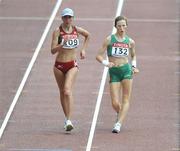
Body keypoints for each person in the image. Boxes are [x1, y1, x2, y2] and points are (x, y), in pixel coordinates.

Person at [96, 16, 139, 133]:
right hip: (114, 72)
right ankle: (120, 114)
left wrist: (134, 67)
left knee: (126, 99)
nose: (122, 28)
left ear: (126, 26)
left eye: (124, 25)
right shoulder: (109, 40)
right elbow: (98, 56)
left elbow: (133, 55)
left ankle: (118, 123)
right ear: (115, 26)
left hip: (126, 71)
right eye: (119, 25)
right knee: (114, 102)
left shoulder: (130, 42)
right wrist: (106, 63)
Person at [51, 8, 90, 131]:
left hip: (72, 64)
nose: (68, 19)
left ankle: (69, 119)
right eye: (65, 17)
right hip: (59, 65)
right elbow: (52, 51)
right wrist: (61, 44)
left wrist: (84, 49)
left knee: (67, 90)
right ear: (62, 18)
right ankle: (66, 120)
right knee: (62, 92)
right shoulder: (57, 31)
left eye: (70, 17)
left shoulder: (76, 30)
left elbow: (88, 35)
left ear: (73, 18)